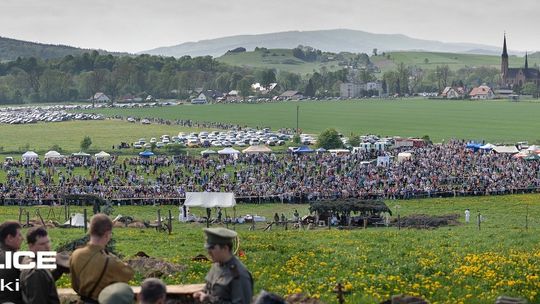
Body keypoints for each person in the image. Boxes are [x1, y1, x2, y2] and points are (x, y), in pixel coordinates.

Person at [70, 214, 134, 303]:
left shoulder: (76, 254)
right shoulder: (110, 261)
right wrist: (109, 255)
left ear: (90, 231)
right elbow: (129, 273)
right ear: (107, 234)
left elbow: (75, 285)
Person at [193, 228, 253, 304]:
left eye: (212, 248)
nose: (209, 252)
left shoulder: (239, 274)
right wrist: (201, 294)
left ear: (225, 248)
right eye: (208, 248)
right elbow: (209, 289)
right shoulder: (216, 266)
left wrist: (209, 299)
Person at [20, 227, 64, 304]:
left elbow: (43, 283)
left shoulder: (29, 259)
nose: (47, 246)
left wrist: (59, 270)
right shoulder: (35, 272)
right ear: (31, 246)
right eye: (42, 244)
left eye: (48, 242)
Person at [0, 221, 24, 304]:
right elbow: (38, 279)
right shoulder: (16, 258)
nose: (22, 238)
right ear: (9, 238)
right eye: (19, 235)